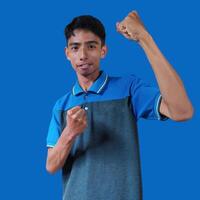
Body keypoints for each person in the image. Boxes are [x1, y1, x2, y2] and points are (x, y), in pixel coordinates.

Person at [46, 11, 194, 200]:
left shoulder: (129, 89)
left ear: (103, 51)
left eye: (91, 46)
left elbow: (182, 111)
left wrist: (144, 39)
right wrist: (70, 132)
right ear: (67, 53)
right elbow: (51, 165)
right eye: (75, 48)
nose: (82, 55)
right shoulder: (61, 105)